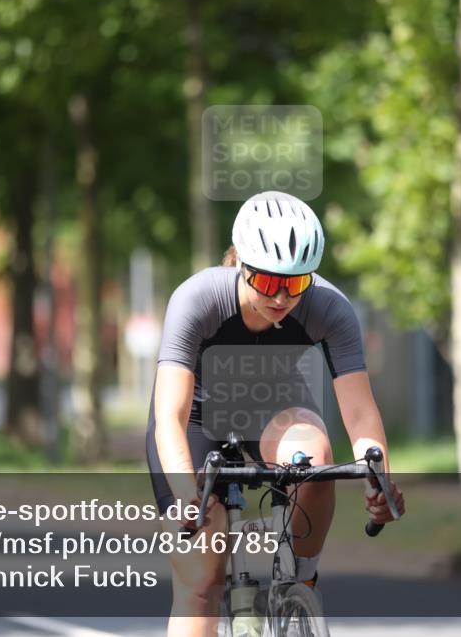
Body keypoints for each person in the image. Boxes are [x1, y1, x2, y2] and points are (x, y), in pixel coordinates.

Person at [145, 191, 405, 636]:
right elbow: (169, 413)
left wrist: (379, 481)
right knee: (201, 580)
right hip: (196, 417)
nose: (283, 296)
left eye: (296, 282)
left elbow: (361, 415)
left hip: (273, 408)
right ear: (240, 264)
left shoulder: (329, 307)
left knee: (317, 461)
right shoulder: (197, 299)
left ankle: (299, 584)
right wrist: (190, 494)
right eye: (268, 282)